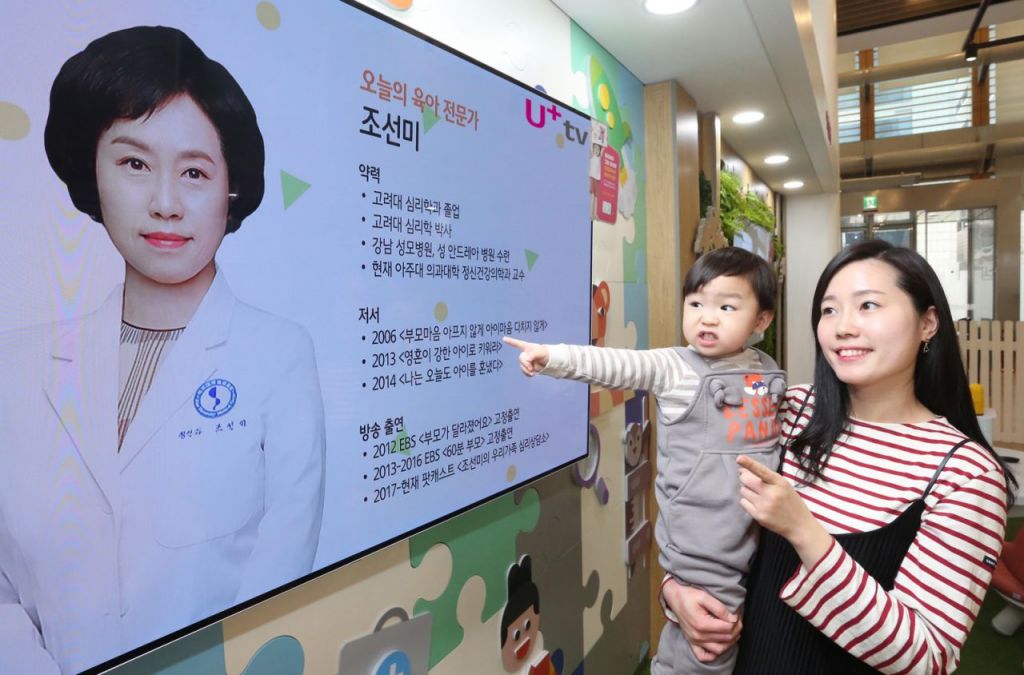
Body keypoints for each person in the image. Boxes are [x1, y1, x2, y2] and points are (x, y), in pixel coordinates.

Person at [0, 26, 326, 674]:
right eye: (134, 164)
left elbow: (278, 576)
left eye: (195, 172)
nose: (166, 203)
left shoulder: (280, 355)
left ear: (231, 189)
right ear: (92, 171)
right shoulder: (15, 363)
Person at [663, 240, 1014, 673]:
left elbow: (927, 659)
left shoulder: (966, 474)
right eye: (829, 310)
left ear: (927, 322)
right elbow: (704, 512)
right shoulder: (787, 411)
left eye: (868, 305)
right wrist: (675, 591)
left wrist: (803, 530)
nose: (842, 327)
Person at [505, 247, 785, 674]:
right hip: (704, 549)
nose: (707, 318)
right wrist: (552, 357)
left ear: (761, 320)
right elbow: (618, 364)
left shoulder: (766, 369)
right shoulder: (677, 367)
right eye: (696, 304)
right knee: (708, 649)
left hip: (757, 535)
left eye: (726, 307)